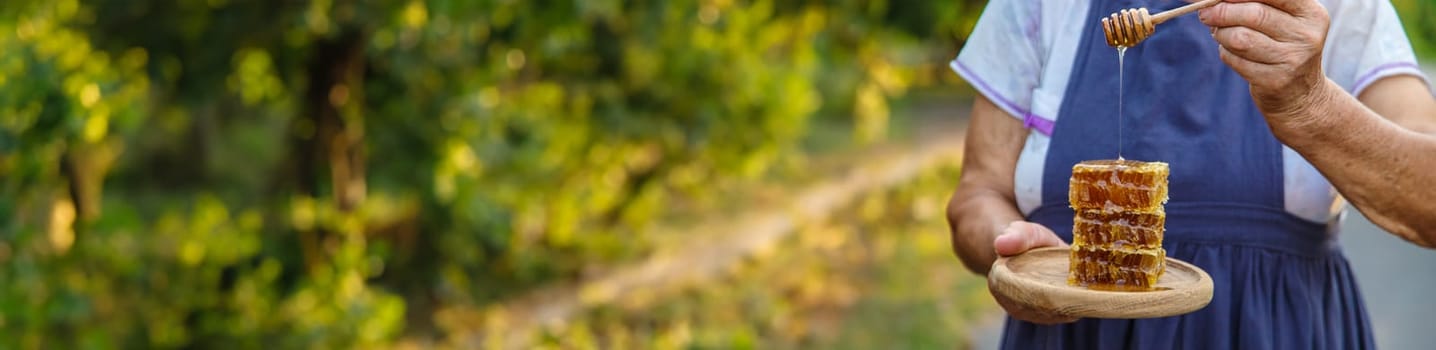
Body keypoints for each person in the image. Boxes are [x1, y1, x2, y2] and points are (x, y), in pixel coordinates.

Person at [945, 0, 1436, 348]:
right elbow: (977, 193)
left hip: (1280, 334)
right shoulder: (1038, 7)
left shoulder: (1344, 9)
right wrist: (1015, 258)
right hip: (1071, 336)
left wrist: (1312, 106)